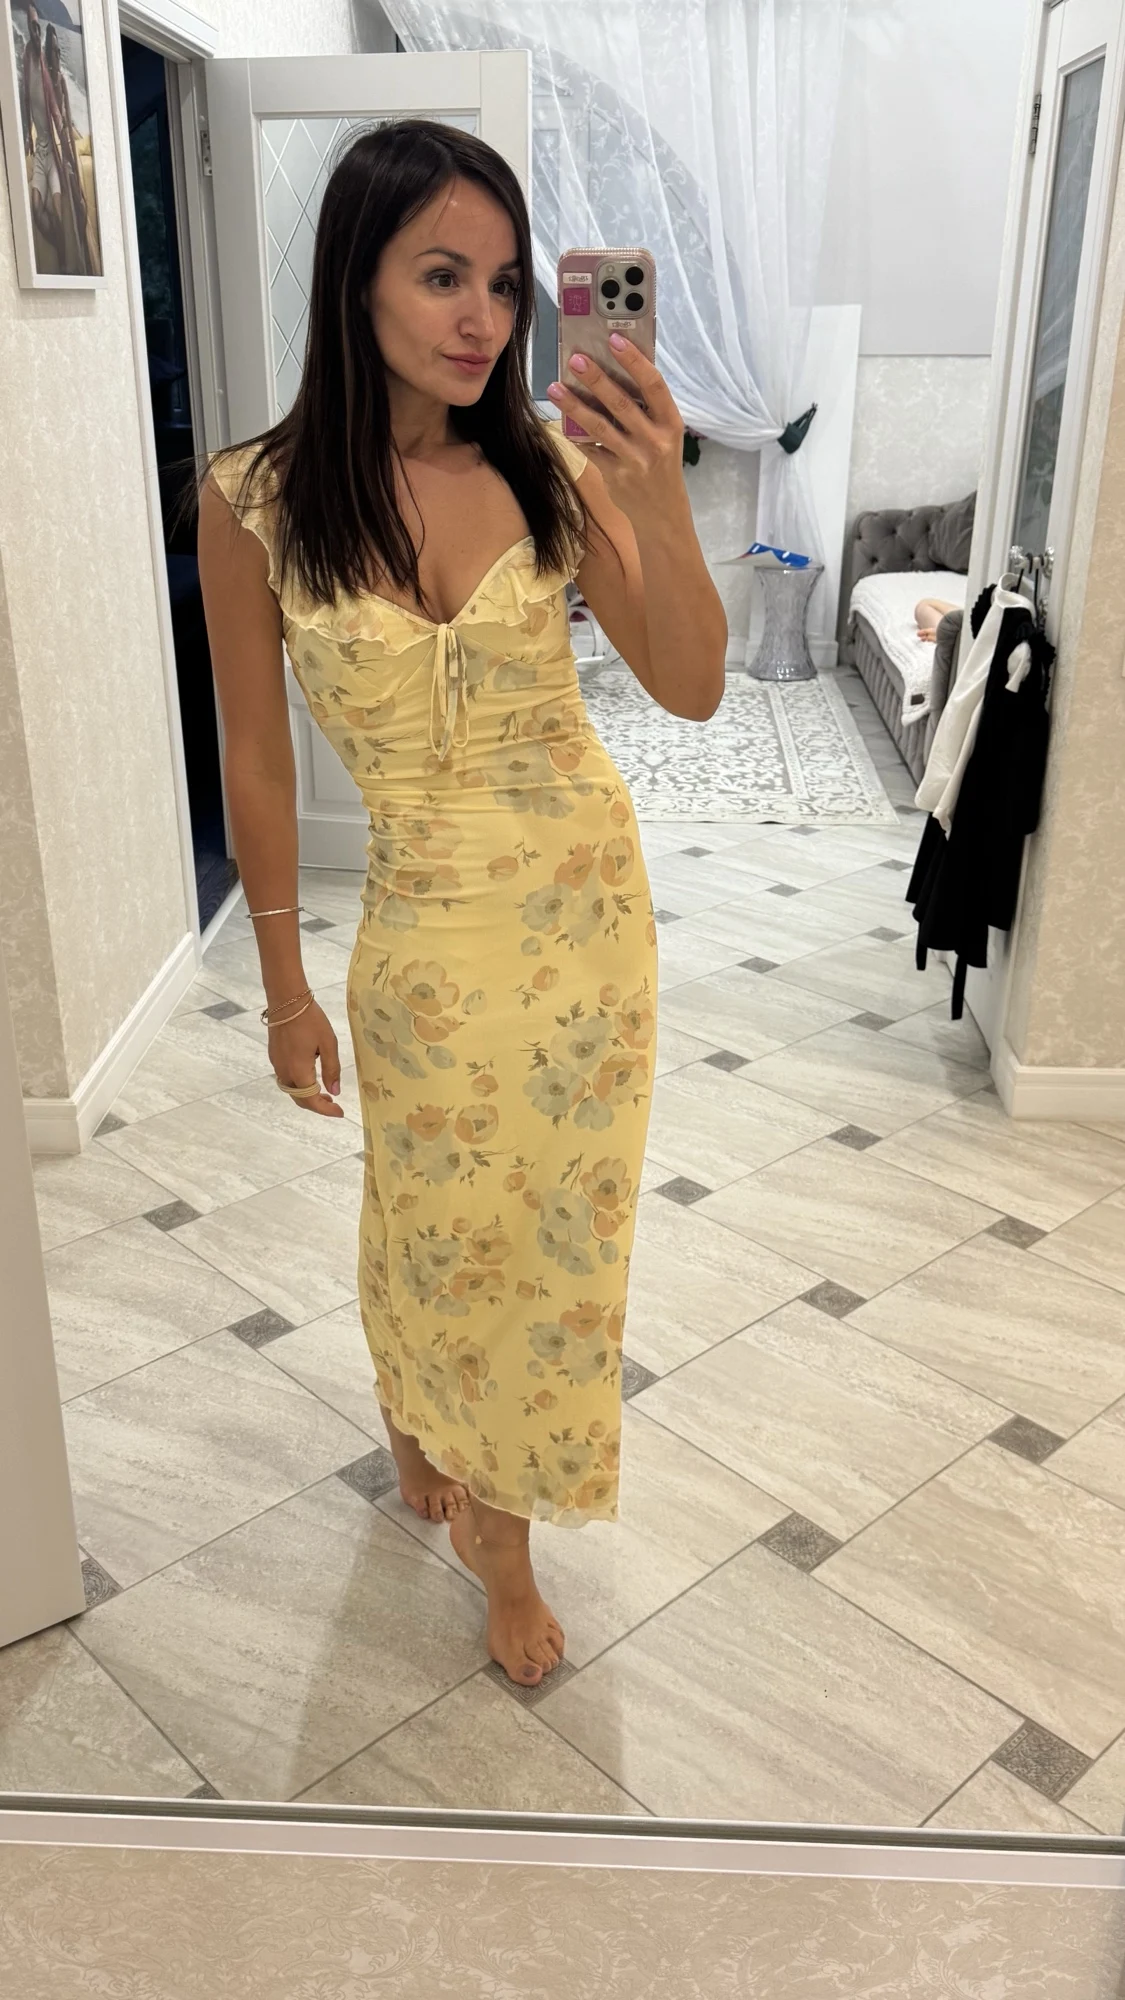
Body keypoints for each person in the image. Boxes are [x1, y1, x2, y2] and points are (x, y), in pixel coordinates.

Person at [198, 121, 726, 1686]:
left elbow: (692, 684)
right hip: (422, 936)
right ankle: (411, 1401)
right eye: (443, 276)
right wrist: (283, 988)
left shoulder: (548, 470)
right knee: (431, 1216)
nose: (483, 317)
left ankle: (505, 1541)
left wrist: (659, 496)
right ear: (355, 280)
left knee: (553, 1242)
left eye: (503, 283)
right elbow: (255, 760)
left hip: (583, 922)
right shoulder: (252, 500)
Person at [20, 5, 66, 271]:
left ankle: (64, 261)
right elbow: (27, 101)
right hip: (39, 150)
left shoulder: (51, 72)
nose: (36, 33)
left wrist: (67, 156)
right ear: (28, 28)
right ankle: (60, 250)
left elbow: (58, 115)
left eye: (38, 28)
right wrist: (27, 134)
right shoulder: (28, 59)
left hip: (54, 152)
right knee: (37, 211)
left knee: (58, 213)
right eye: (32, 27)